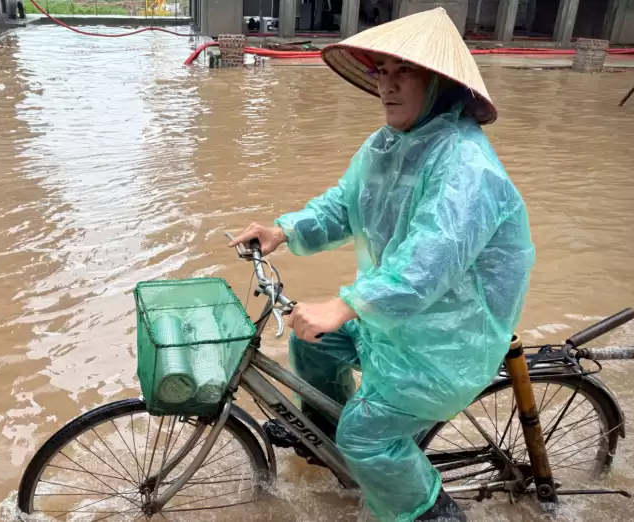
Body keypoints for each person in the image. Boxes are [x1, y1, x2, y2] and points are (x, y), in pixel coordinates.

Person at [228, 8, 535, 522]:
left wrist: (345, 304)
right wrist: (283, 230)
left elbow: (425, 267)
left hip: (446, 342)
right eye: (382, 73)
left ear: (439, 83)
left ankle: (430, 511)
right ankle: (325, 442)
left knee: (365, 434)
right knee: (314, 344)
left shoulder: (466, 166)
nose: (388, 88)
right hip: (397, 323)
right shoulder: (386, 145)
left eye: (405, 73)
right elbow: (344, 204)